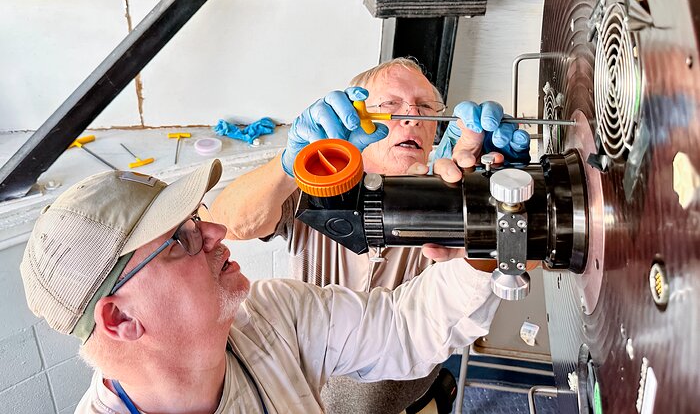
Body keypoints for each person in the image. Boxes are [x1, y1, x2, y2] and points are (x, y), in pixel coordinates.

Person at [20, 160, 501, 413]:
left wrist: (489, 235)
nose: (215, 233)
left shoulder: (270, 315)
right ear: (120, 318)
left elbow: (401, 327)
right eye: (178, 240)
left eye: (196, 220)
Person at [211, 57, 530, 413]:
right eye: (391, 106)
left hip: (412, 403)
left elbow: (522, 262)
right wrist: (288, 165)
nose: (412, 117)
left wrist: (498, 206)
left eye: (425, 108)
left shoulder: (448, 196)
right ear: (357, 119)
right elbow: (226, 223)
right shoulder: (317, 183)